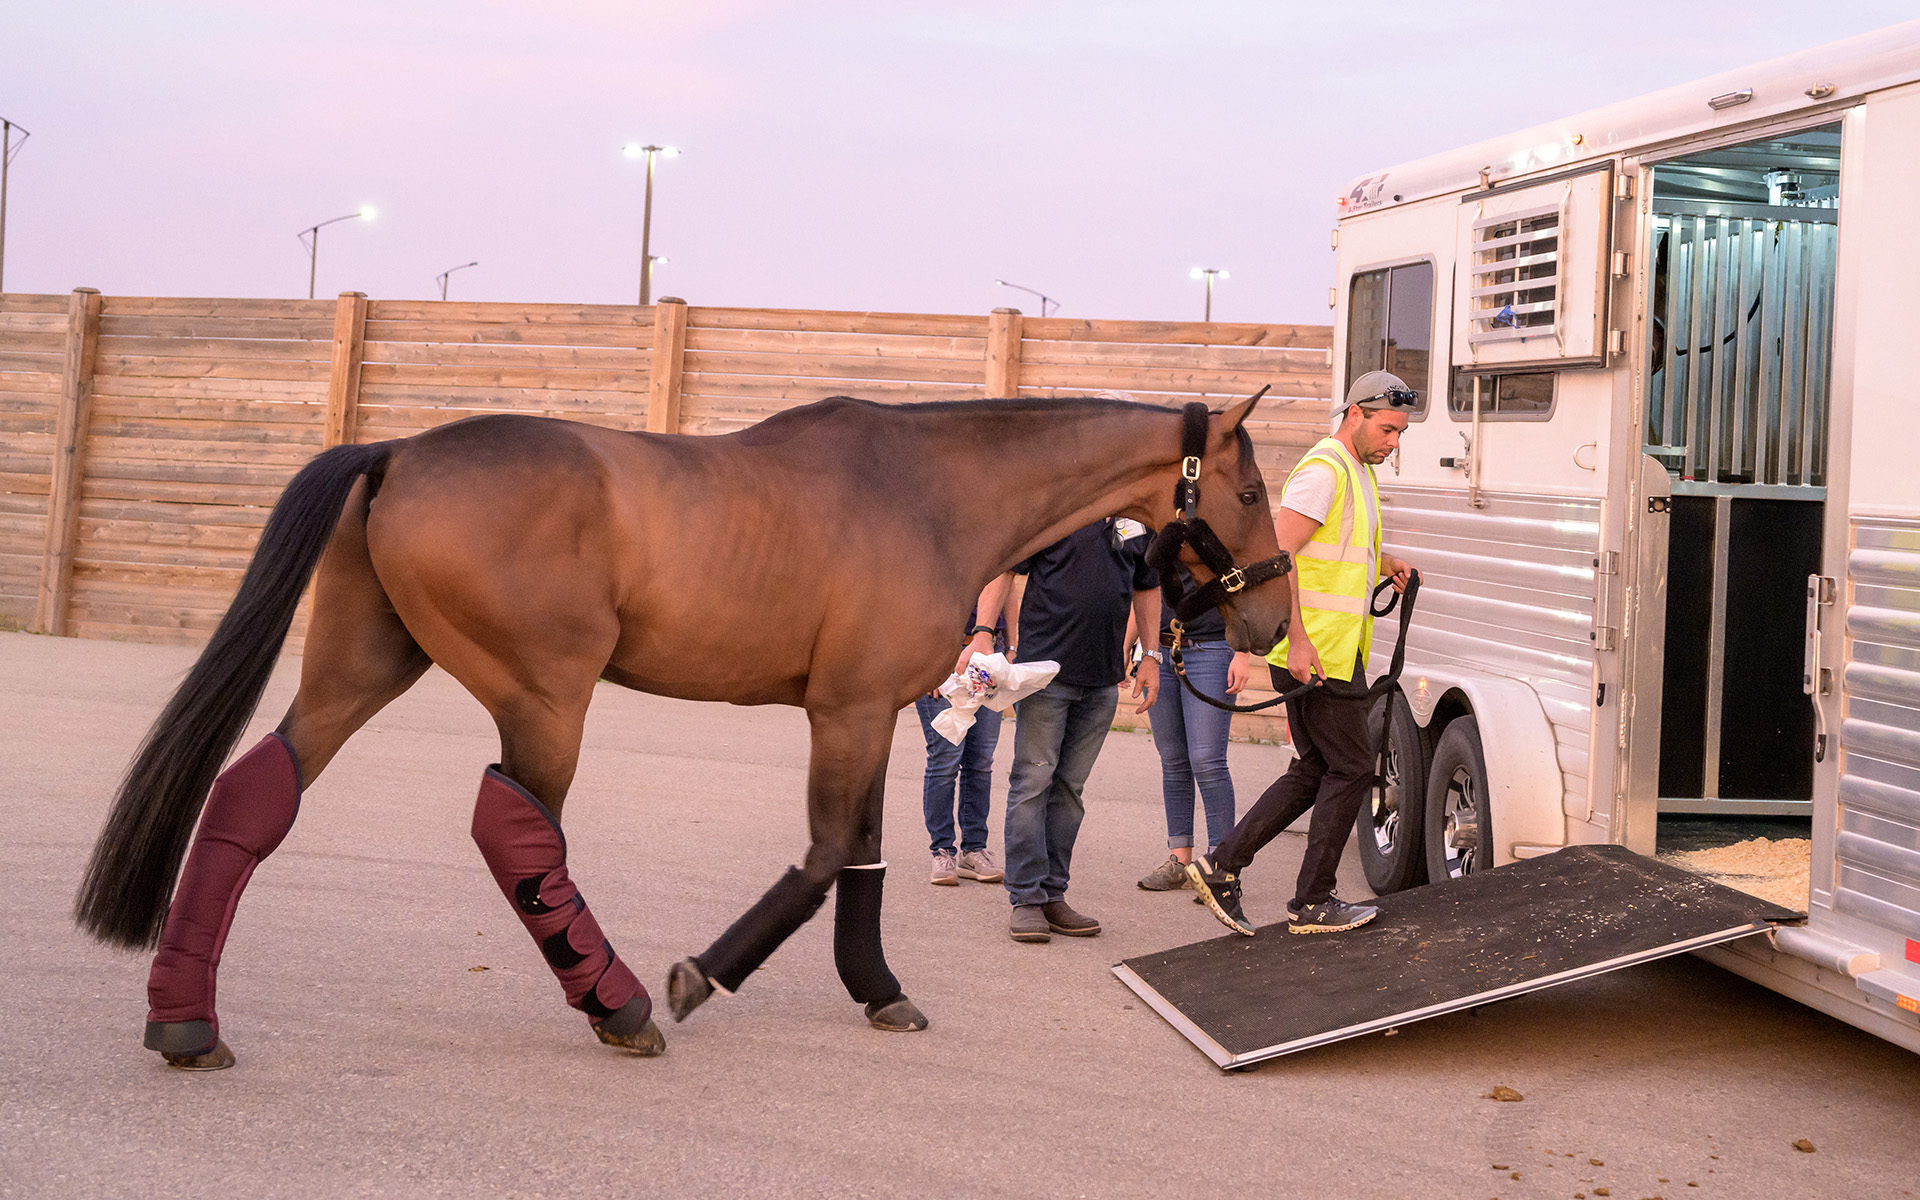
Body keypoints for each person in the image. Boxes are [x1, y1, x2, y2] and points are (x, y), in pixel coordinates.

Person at [1189, 370, 1418, 936]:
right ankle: (1313, 899)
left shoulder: (1354, 470)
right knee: (1352, 765)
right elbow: (1277, 556)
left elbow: (1332, 544)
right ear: (1355, 414)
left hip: (1332, 649)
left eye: (1400, 433)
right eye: (1388, 429)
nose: (1394, 443)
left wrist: (1382, 562)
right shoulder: (1323, 470)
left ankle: (1222, 865)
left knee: (1316, 767)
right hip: (1314, 652)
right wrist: (1302, 640)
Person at [955, 518, 1159, 944]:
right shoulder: (1062, 511)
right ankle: (1026, 899)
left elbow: (1147, 585)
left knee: (1069, 790)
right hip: (1045, 675)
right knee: (1033, 782)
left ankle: (1053, 895)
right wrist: (983, 632)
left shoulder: (1137, 521)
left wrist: (1151, 656)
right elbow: (1006, 567)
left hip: (1103, 680)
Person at [1137, 563, 1257, 892]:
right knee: (1173, 758)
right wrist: (1131, 643)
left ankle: (1220, 865)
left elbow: (1244, 581)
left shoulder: (1219, 515)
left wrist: (1243, 651)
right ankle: (1180, 860)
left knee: (1206, 759)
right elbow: (1143, 584)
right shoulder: (1155, 519)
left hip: (1213, 649)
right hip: (1160, 651)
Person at [918, 599, 1012, 887]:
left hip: (989, 654)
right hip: (944, 653)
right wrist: (928, 658)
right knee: (945, 759)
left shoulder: (993, 553)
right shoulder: (930, 552)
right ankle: (942, 851)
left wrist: (1012, 649)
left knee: (981, 760)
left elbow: (1008, 593)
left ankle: (974, 849)